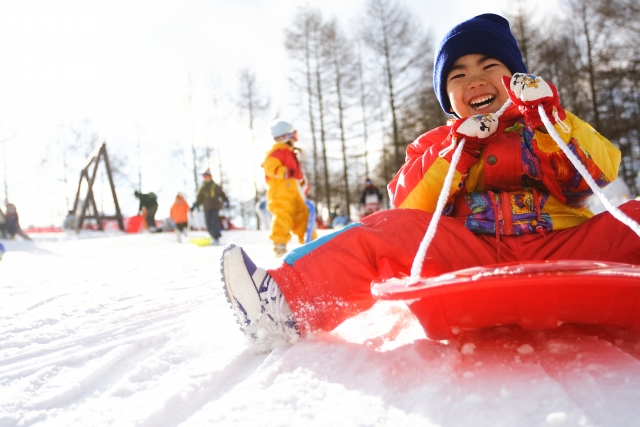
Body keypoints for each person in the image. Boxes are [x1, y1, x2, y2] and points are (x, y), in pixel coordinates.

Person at [221, 13, 640, 352]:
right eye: (457, 76)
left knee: (632, 217)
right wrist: (456, 152)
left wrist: (551, 122)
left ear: (516, 79)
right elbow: (409, 204)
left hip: (562, 246)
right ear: (448, 97)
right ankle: (288, 303)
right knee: (384, 230)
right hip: (469, 253)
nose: (474, 79)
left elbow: (597, 175)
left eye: (489, 66)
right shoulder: (438, 143)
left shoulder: (550, 120)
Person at [262, 119, 314, 257]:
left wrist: (303, 185)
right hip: (280, 194)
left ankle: (312, 245)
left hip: (295, 194)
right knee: (283, 217)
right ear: (286, 137)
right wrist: (284, 172)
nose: (295, 140)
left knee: (304, 217)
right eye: (294, 136)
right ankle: (279, 244)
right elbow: (270, 167)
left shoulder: (292, 154)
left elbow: (298, 176)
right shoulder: (275, 152)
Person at [192, 169, 228, 245]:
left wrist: (226, 200)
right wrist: (195, 205)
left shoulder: (215, 186)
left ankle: (216, 238)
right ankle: (213, 237)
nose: (206, 178)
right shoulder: (202, 188)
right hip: (206, 208)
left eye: (207, 176)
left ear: (210, 177)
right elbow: (199, 199)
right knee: (208, 224)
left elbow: (222, 194)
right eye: (204, 176)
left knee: (214, 222)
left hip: (215, 207)